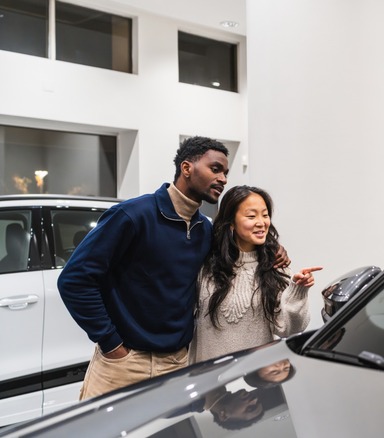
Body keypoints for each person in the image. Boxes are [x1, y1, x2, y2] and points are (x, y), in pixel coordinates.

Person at [59, 137, 288, 400]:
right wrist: (111, 343)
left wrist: (272, 249)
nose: (223, 179)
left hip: (177, 364)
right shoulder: (133, 215)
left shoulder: (204, 229)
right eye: (215, 169)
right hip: (124, 363)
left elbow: (237, 248)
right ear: (187, 168)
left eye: (225, 172)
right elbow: (74, 280)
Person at [190, 185, 322, 363]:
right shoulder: (206, 262)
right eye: (251, 216)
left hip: (255, 380)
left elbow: (289, 329)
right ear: (231, 223)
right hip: (208, 379)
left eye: (265, 215)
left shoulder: (276, 265)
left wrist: (298, 290)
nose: (261, 222)